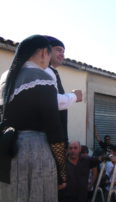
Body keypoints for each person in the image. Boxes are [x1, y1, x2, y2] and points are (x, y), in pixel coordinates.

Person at [0, 35, 66, 201]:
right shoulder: (42, 77)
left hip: (7, 150)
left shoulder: (6, 78)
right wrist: (61, 171)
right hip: (35, 151)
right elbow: (54, 127)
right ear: (44, 52)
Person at [44, 36, 83, 145]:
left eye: (63, 51)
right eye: (58, 50)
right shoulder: (44, 71)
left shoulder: (50, 71)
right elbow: (50, 101)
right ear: (46, 50)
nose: (62, 54)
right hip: (48, 139)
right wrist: (74, 96)